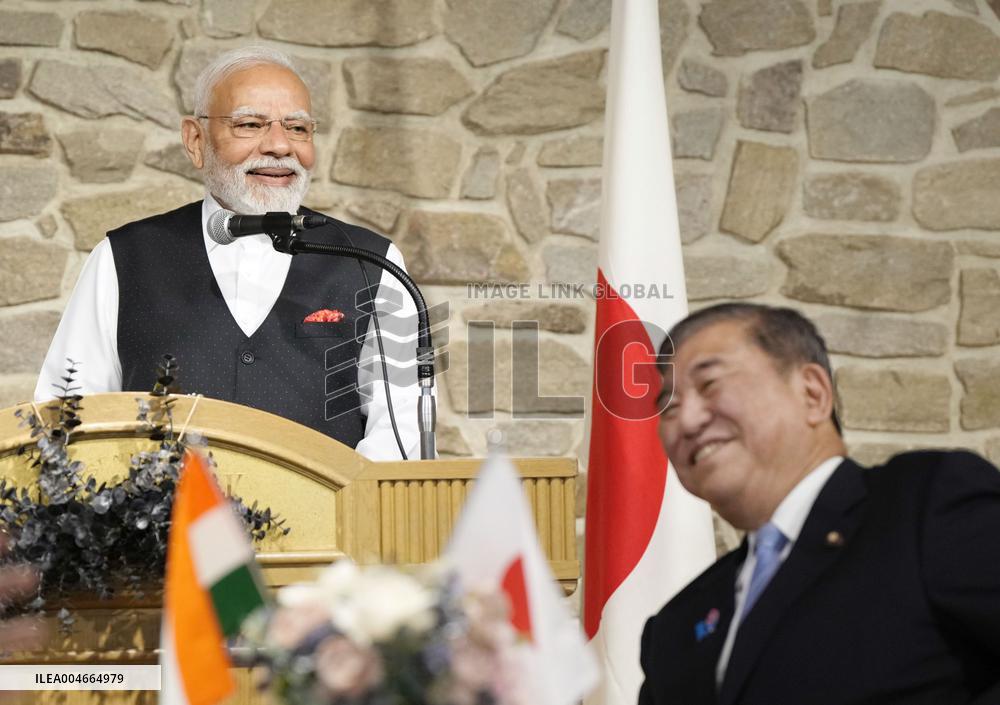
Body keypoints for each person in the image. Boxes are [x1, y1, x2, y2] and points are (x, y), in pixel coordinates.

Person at [35, 46, 424, 460]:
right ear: (196, 139)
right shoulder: (121, 258)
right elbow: (66, 419)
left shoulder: (373, 264)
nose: (279, 145)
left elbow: (400, 438)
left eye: (297, 128)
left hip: (328, 523)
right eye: (251, 124)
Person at [638, 302, 1000, 705]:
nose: (686, 421)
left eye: (710, 385)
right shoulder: (675, 624)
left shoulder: (925, 506)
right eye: (668, 407)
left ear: (812, 393)